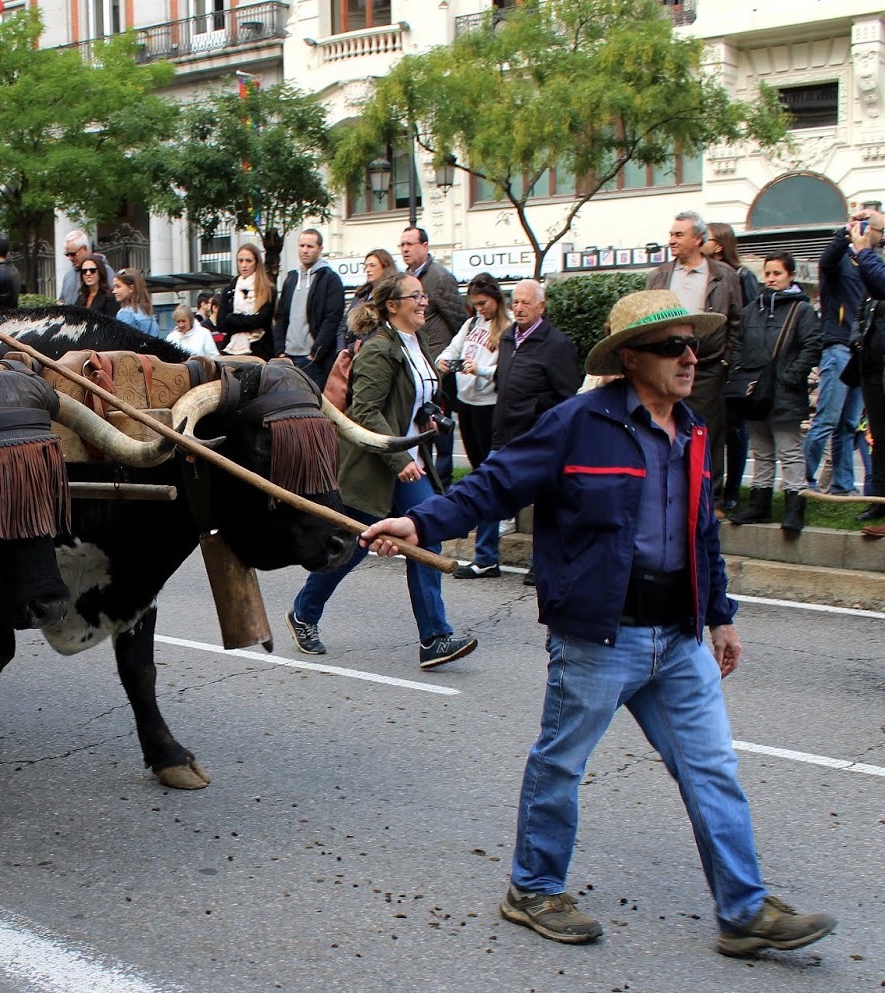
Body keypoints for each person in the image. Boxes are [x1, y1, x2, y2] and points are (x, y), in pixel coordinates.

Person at [359, 289, 837, 958]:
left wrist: (721, 615)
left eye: (692, 345)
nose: (689, 357)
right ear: (631, 357)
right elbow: (495, 483)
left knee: (713, 770)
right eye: (672, 345)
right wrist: (418, 520)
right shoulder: (576, 423)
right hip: (598, 636)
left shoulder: (694, 430)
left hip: (678, 638)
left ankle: (744, 908)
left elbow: (702, 532)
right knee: (560, 764)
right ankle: (532, 887)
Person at [283, 273, 478, 669]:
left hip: (409, 466)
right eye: (416, 297)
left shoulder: (416, 343)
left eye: (424, 296)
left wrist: (429, 416)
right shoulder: (378, 350)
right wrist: (399, 458)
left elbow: (414, 397)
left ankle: (434, 638)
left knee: (425, 539)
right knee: (353, 548)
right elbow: (365, 412)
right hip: (377, 469)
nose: (424, 303)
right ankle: (303, 612)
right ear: (393, 305)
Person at [646, 210, 743, 505]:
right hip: (666, 366)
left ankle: (707, 499)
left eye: (679, 235)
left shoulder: (723, 275)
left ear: (698, 239)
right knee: (663, 430)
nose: (671, 240)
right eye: (671, 234)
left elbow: (736, 323)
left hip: (709, 367)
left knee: (707, 434)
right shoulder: (659, 275)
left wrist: (728, 361)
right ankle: (664, 493)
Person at [492, 279, 581, 584]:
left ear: (541, 306)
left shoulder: (556, 344)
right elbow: (500, 383)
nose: (518, 308)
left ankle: (542, 563)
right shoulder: (506, 338)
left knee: (546, 506)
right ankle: (485, 559)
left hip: (539, 438)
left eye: (526, 302)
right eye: (515, 302)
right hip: (505, 434)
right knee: (490, 491)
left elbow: (569, 396)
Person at [727, 253, 822, 531]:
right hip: (754, 389)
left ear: (790, 275)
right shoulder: (750, 310)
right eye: (767, 273)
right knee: (762, 450)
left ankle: (795, 506)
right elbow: (738, 345)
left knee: (789, 449)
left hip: (784, 389)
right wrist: (737, 374)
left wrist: (791, 376)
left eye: (777, 273)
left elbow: (811, 346)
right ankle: (760, 504)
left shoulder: (801, 310)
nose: (770, 279)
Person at [437, 273, 510, 577]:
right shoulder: (470, 325)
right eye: (475, 304)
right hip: (466, 405)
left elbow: (504, 369)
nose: (480, 308)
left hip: (489, 406)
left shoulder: (506, 329)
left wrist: (478, 369)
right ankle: (487, 550)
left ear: (496, 298)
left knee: (487, 478)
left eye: (484, 303)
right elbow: (452, 351)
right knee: (481, 474)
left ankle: (487, 554)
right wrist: (444, 360)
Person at [815, 208, 880, 510]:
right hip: (838, 347)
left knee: (849, 424)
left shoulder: (870, 262)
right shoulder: (840, 259)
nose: (866, 232)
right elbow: (826, 260)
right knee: (826, 421)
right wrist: (845, 231)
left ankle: (842, 486)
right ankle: (803, 485)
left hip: (859, 351)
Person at [400, 227, 469, 485]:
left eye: (410, 243)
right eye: (402, 245)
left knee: (441, 426)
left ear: (425, 246)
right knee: (419, 423)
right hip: (415, 364)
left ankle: (444, 481)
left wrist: (449, 361)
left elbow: (459, 321)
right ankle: (425, 477)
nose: (405, 249)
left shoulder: (440, 278)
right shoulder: (404, 279)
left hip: (438, 366)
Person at [705, 223, 760, 512]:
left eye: (708, 238)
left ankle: (733, 489)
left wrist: (733, 360)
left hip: (735, 367)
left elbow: (749, 321)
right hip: (711, 369)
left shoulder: (741, 276)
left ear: (720, 245)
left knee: (735, 430)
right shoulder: (706, 275)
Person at [271, 229, 341, 388]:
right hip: (288, 357)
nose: (305, 250)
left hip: (312, 360)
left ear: (320, 249)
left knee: (314, 407)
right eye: (301, 245)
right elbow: (280, 316)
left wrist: (315, 354)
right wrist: (280, 351)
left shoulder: (330, 279)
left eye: (310, 246)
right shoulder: (291, 278)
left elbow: (332, 319)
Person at [214, 242, 275, 357]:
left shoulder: (268, 290)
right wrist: (246, 323)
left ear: (256, 263)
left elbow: (261, 321)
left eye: (248, 261)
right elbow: (221, 324)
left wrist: (232, 318)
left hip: (260, 350)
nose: (244, 265)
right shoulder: (229, 290)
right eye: (240, 261)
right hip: (231, 350)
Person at [346, 249, 397, 351]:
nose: (368, 269)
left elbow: (385, 327)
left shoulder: (390, 294)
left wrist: (356, 346)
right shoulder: (361, 294)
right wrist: (342, 349)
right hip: (352, 352)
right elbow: (343, 325)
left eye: (372, 265)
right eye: (366, 266)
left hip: (375, 351)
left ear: (385, 267)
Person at [57, 230, 114, 307]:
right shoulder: (68, 275)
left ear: (85, 248)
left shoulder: (106, 271)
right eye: (67, 254)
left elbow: (113, 300)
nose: (70, 258)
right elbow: (62, 300)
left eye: (73, 254)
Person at [112, 268, 159, 336]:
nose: (114, 291)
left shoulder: (125, 313)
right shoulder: (148, 312)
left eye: (118, 287)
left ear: (131, 288)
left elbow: (123, 343)